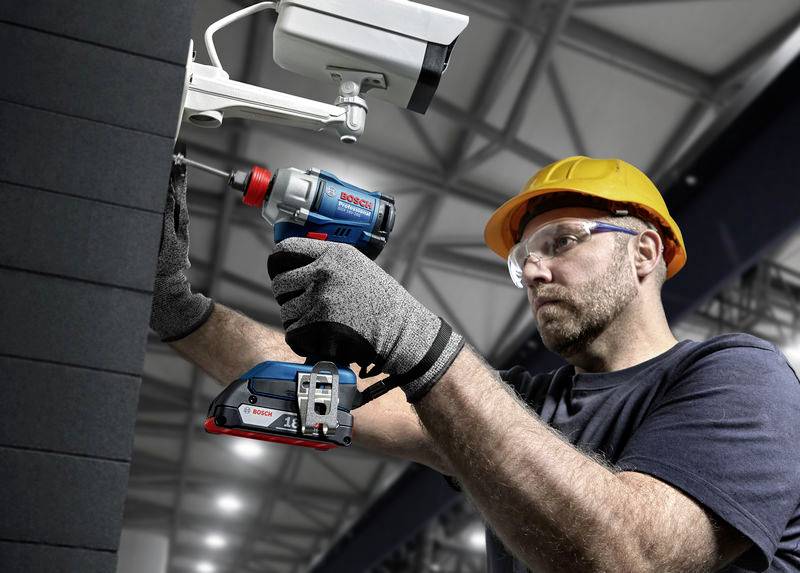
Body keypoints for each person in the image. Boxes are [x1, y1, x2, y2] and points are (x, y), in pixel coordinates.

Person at [152, 155, 800, 572]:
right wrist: (180, 310)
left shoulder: (743, 376)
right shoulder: (518, 408)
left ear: (644, 251)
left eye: (562, 241)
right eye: (523, 261)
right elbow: (306, 392)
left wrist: (417, 340)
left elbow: (633, 557)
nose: (535, 271)